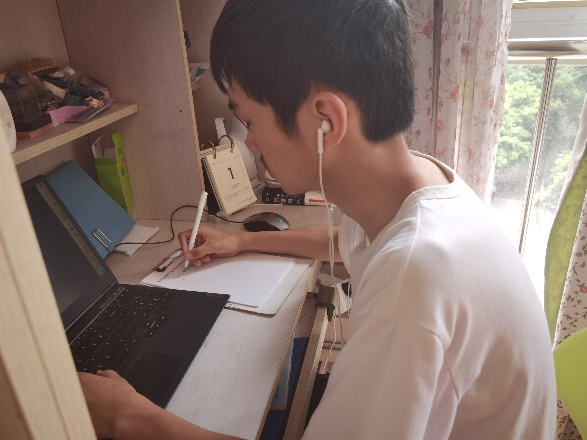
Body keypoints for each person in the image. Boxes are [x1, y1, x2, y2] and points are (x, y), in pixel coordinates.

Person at [78, 0, 557, 438]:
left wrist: (126, 415)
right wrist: (240, 242)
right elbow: (341, 241)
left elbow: (390, 271)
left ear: (326, 120)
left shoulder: (414, 280)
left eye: (251, 121)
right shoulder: (419, 184)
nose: (251, 144)